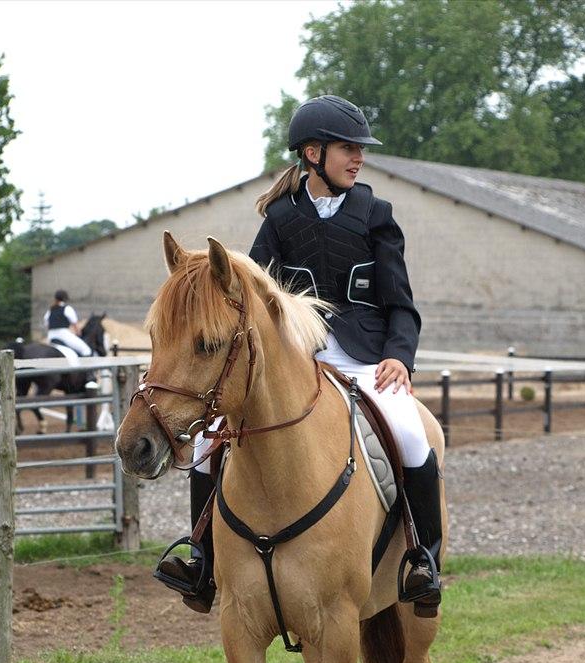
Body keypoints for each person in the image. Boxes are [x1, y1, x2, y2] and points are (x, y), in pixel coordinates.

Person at [157, 95, 442, 612]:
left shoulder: (376, 216)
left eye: (359, 150)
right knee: (205, 445)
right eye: (347, 148)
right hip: (300, 357)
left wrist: (400, 356)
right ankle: (200, 557)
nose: (358, 158)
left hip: (365, 359)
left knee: (411, 436)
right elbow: (248, 299)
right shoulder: (281, 220)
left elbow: (402, 305)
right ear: (313, 154)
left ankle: (422, 561)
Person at [43, 290, 92, 357]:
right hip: (63, 335)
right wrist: (79, 333)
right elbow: (75, 324)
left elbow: (47, 325)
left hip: (51, 336)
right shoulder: (67, 308)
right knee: (86, 350)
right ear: (65, 299)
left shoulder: (50, 310)